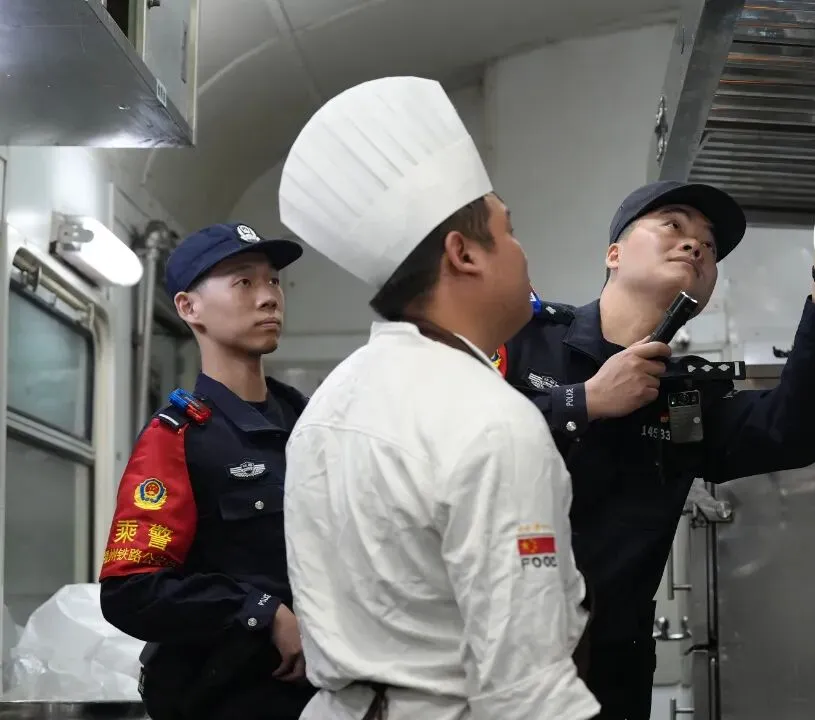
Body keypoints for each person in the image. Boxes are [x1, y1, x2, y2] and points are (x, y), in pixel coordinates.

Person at [497, 154, 815, 719]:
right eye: (672, 225)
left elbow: (801, 427)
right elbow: (451, 443)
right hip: (493, 654)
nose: (696, 244)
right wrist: (585, 401)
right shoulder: (524, 338)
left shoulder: (685, 398)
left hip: (610, 674)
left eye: (710, 245)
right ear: (614, 254)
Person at [278, 76, 599, 720]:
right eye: (509, 231)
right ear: (464, 254)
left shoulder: (329, 405)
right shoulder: (491, 419)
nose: (522, 253)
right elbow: (526, 691)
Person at [98, 222, 315, 720]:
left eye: (273, 280)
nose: (269, 297)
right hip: (227, 699)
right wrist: (259, 612)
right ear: (188, 308)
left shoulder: (311, 424)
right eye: (244, 282)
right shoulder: (178, 437)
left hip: (324, 697)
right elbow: (131, 591)